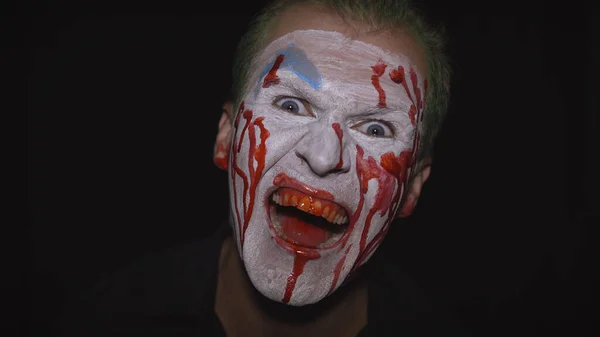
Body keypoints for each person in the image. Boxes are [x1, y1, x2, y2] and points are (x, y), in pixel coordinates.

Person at [56, 0, 462, 336]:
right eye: (290, 105)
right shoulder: (105, 319)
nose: (322, 158)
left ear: (411, 189)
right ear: (226, 137)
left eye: (376, 127)